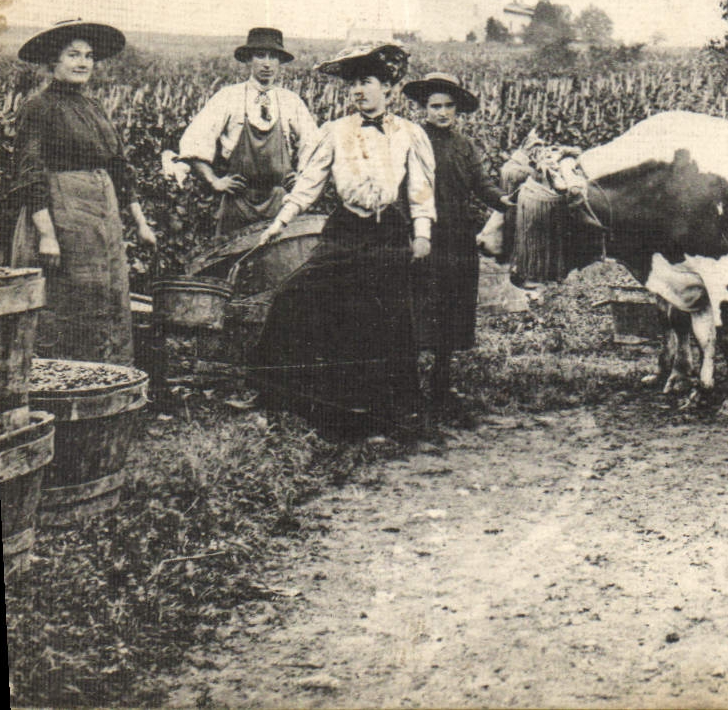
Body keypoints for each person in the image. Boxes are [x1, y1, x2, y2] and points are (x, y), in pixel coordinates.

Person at [247, 44, 436, 437]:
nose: (357, 91)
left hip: (387, 232)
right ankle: (285, 397)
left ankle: (387, 413)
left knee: (384, 318)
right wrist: (279, 222)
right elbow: (308, 186)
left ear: (388, 88)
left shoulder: (409, 133)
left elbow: (420, 189)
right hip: (345, 230)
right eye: (352, 85)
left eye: (366, 82)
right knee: (293, 297)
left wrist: (422, 234)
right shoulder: (334, 131)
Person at [7, 19, 158, 364]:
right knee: (68, 299)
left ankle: (110, 374)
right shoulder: (38, 107)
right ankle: (64, 380)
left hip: (102, 221)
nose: (83, 62)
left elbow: (119, 168)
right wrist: (47, 235)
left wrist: (141, 223)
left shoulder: (93, 106)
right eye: (73, 55)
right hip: (62, 217)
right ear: (53, 60)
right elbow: (30, 173)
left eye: (88, 56)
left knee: (107, 294)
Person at [402, 71, 512, 416]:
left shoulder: (464, 146)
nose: (442, 112)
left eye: (448, 106)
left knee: (452, 307)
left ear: (457, 109)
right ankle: (408, 386)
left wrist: (505, 201)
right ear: (424, 108)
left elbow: (482, 184)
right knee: (418, 307)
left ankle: (442, 381)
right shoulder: (412, 141)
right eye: (435, 106)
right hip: (423, 236)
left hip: (458, 238)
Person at [177, 27, 320, 238]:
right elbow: (194, 141)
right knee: (232, 255)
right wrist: (214, 181)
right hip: (238, 203)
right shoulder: (228, 97)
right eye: (260, 55)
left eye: (273, 57)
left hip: (280, 203)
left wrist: (302, 177)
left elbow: (315, 143)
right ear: (248, 60)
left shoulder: (291, 101)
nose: (267, 64)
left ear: (279, 62)